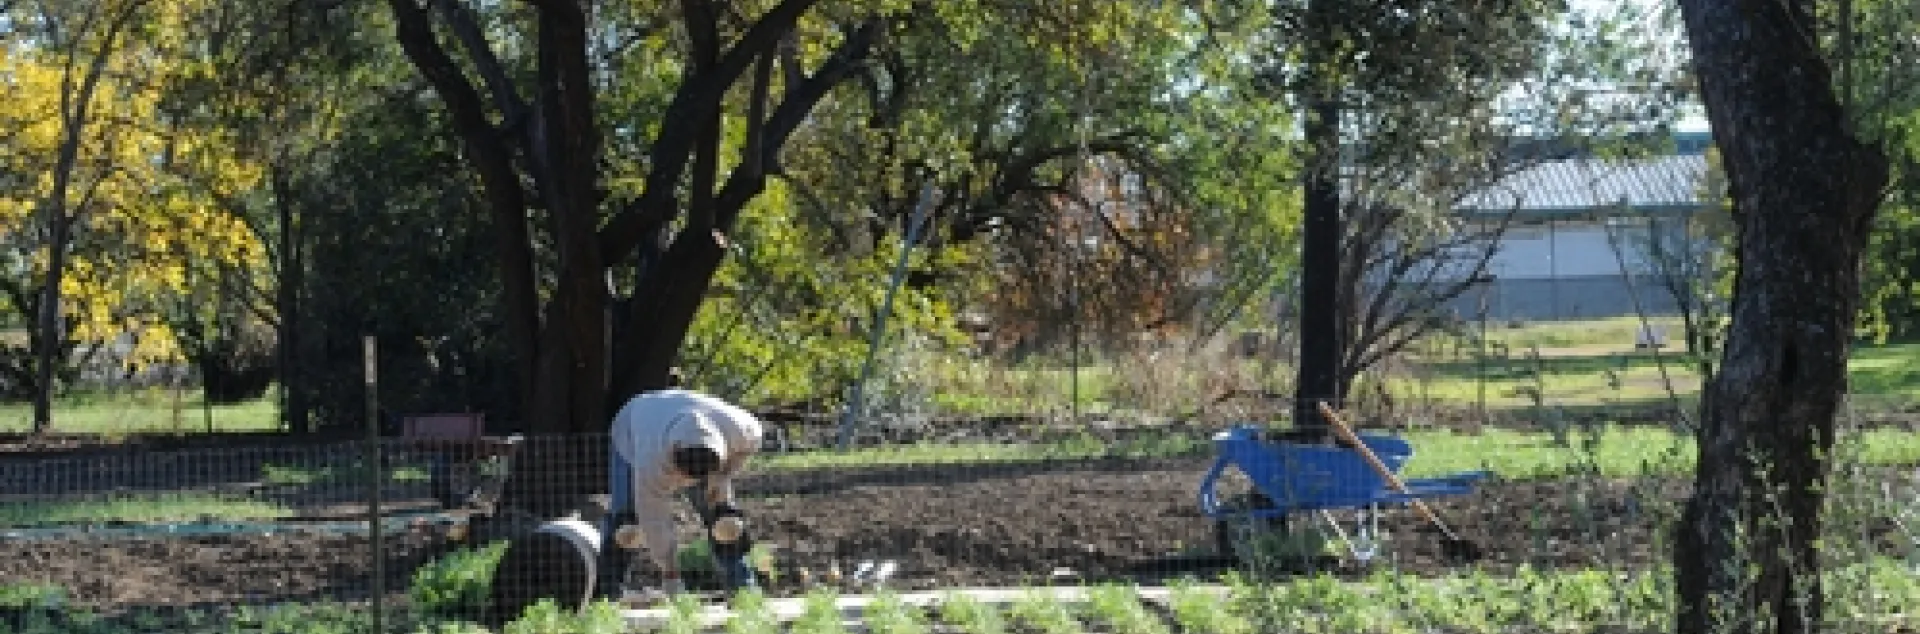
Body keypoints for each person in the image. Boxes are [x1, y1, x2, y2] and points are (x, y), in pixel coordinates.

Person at [600, 384, 765, 603]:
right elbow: (654, 518)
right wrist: (669, 569)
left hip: (677, 428)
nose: (689, 483)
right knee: (626, 526)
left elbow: (751, 445)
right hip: (630, 432)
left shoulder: (739, 428)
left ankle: (744, 592)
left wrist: (723, 477)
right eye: (686, 476)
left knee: (726, 523)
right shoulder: (650, 459)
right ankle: (606, 597)